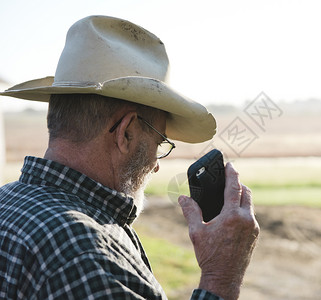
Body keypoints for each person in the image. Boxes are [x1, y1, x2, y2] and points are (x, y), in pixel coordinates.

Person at [0, 16, 259, 300]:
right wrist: (220, 276)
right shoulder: (85, 252)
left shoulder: (8, 200)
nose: (157, 164)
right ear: (125, 133)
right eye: (159, 142)